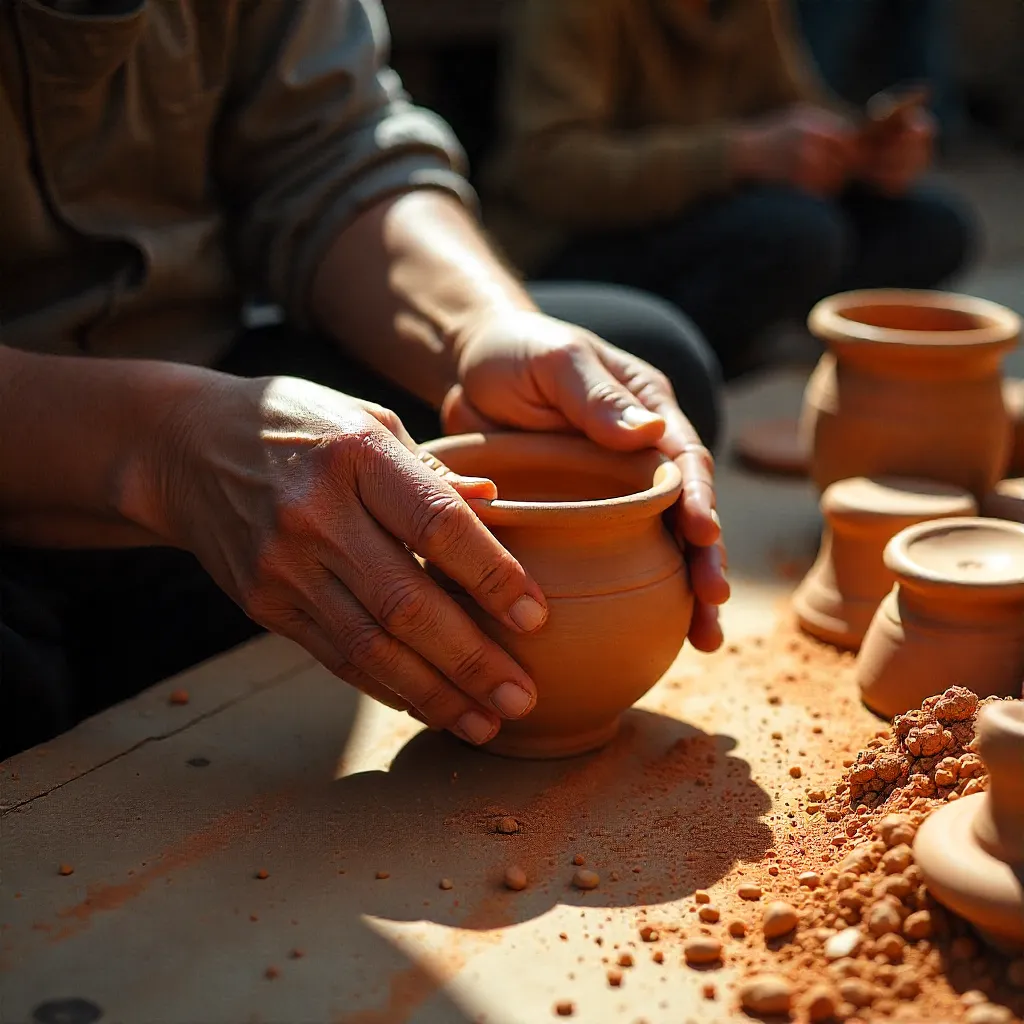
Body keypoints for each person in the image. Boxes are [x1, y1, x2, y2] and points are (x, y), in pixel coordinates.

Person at [0, 0, 727, 759]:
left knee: (634, 376)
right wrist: (165, 452)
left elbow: (330, 154)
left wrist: (477, 328)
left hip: (211, 370)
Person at [484, 0, 976, 381]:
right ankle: (684, 353)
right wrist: (739, 154)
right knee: (799, 235)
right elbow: (549, 171)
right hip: (582, 239)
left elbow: (797, 105)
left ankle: (753, 327)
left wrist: (864, 150)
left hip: (716, 212)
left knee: (934, 227)